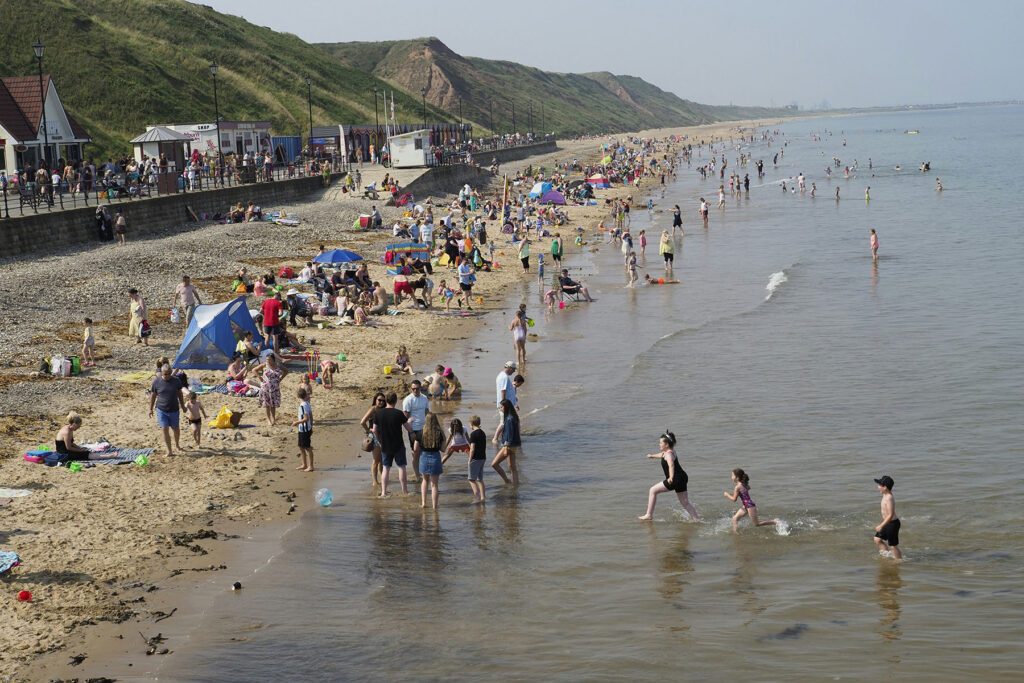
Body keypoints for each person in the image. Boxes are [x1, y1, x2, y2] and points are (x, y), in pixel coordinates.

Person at [638, 430, 700, 521]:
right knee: (685, 503)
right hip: (682, 477)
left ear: (666, 445)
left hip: (675, 478)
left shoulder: (668, 455)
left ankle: (649, 515)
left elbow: (671, 464)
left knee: (652, 490)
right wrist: (652, 456)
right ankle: (696, 519)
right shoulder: (670, 452)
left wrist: (671, 477)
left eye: (660, 443)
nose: (659, 444)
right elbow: (662, 455)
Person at [372, 392, 418, 497]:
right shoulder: (399, 413)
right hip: (398, 445)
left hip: (385, 445)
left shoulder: (379, 413)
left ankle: (383, 492)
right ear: (396, 401)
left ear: (386, 401)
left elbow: (374, 430)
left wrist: (379, 440)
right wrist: (411, 432)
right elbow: (408, 427)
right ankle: (404, 491)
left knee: (386, 468)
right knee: (401, 467)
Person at [723, 468, 777, 533]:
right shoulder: (744, 484)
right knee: (735, 519)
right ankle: (736, 534)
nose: (731, 477)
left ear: (737, 478)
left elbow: (734, 499)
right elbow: (749, 488)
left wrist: (727, 495)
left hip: (749, 506)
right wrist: (743, 492)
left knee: (757, 524)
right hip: (746, 505)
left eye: (732, 476)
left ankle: (774, 521)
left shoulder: (737, 487)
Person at [149, 364, 187, 457]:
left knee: (176, 429)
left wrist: (183, 406)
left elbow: (180, 395)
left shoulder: (176, 381)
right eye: (166, 374)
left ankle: (177, 445)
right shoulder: (157, 382)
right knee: (164, 429)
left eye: (170, 373)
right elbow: (153, 395)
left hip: (174, 409)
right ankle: (169, 451)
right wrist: (150, 409)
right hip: (161, 409)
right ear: (162, 373)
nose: (168, 375)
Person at [55, 412, 119, 461]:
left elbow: (71, 443)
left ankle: (108, 455)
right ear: (74, 424)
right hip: (63, 453)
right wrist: (80, 450)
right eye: (78, 426)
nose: (79, 428)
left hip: (66, 450)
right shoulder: (67, 432)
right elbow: (68, 447)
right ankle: (109, 456)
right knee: (86, 454)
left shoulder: (69, 429)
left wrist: (79, 448)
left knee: (86, 451)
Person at [402, 380, 429, 481]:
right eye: (413, 389)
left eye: (417, 388)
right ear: (411, 389)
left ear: (420, 388)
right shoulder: (408, 400)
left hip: (424, 429)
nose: (415, 390)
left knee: (424, 452)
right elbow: (404, 418)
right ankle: (417, 475)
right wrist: (411, 432)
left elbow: (427, 412)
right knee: (415, 453)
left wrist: (430, 426)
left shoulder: (424, 398)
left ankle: (423, 473)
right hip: (414, 430)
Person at [491, 398, 521, 485]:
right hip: (513, 445)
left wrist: (507, 447)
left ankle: (507, 481)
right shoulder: (513, 417)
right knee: (512, 467)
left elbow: (510, 434)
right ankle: (515, 485)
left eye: (501, 407)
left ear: (506, 407)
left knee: (494, 464)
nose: (500, 409)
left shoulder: (509, 419)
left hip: (508, 446)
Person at [418, 413, 445, 508]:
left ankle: (424, 503)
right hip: (435, 457)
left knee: (425, 481)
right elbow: (443, 449)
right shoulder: (440, 433)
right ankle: (434, 506)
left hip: (424, 456)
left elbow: (416, 448)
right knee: (434, 485)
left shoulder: (421, 432)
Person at [359, 392, 386, 487]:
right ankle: (375, 481)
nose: (381, 402)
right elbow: (362, 422)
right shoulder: (373, 409)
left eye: (383, 400)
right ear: (375, 400)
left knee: (382, 460)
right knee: (375, 460)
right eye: (379, 400)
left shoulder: (384, 410)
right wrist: (368, 430)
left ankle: (382, 478)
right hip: (374, 437)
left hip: (383, 437)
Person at [873, 475, 902, 560]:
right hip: (887, 522)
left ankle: (898, 561)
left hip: (892, 524)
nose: (877, 487)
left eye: (879, 485)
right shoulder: (885, 494)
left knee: (893, 546)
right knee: (877, 539)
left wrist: (881, 525)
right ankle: (887, 555)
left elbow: (891, 514)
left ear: (885, 487)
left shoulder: (889, 498)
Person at [254, 354, 288, 426]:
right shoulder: (264, 365)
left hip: (275, 388)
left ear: (273, 359)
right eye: (267, 359)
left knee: (273, 404)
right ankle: (268, 419)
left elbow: (286, 371)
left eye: (269, 359)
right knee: (266, 404)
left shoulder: (278, 365)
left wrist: (281, 379)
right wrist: (259, 377)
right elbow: (254, 370)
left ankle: (273, 419)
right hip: (265, 387)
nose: (268, 361)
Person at [291, 387, 315, 472]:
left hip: (304, 430)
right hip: (304, 429)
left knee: (307, 448)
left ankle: (311, 466)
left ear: (298, 397)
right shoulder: (308, 404)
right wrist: (311, 426)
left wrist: (296, 422)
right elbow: (311, 416)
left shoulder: (303, 406)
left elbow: (306, 418)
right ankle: (304, 464)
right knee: (301, 447)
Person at [465, 415, 487, 503]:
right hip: (482, 458)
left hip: (475, 459)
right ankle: (483, 497)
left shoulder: (473, 434)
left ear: (471, 423)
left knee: (471, 479)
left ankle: (477, 497)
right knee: (480, 479)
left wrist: (469, 459)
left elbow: (472, 448)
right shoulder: (482, 433)